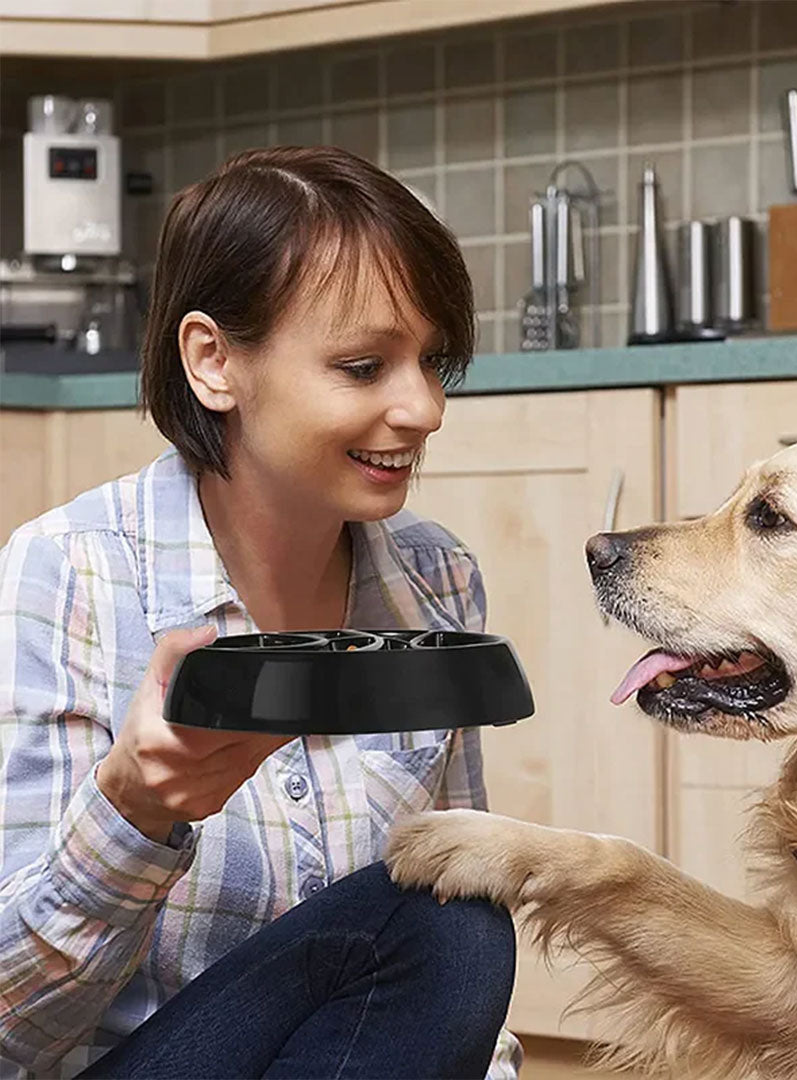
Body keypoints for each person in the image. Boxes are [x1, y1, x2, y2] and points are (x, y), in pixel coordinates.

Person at [0, 146, 522, 1079]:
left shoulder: (438, 579)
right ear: (213, 361)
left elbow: (430, 997)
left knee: (456, 908)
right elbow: (10, 1034)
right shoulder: (68, 576)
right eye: (365, 366)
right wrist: (132, 816)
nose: (426, 407)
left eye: (433, 361)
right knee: (440, 918)